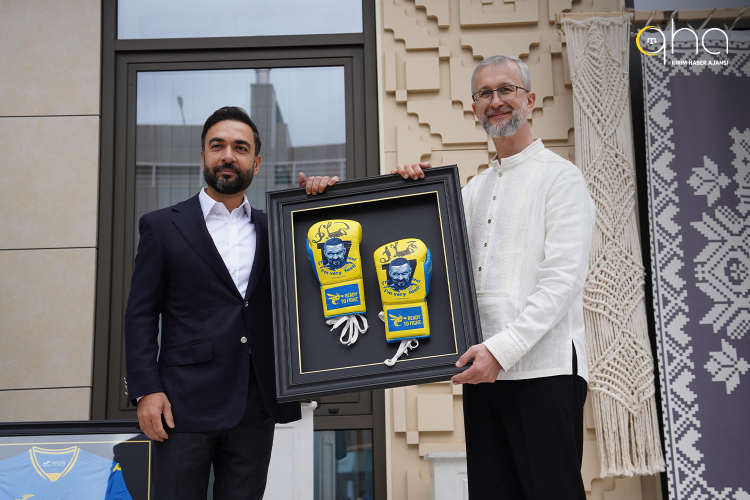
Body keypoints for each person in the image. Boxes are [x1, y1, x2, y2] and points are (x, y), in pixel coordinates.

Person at [309, 55, 595, 499]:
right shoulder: (472, 190)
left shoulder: (562, 178)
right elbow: (419, 251)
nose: (496, 101)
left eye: (507, 89)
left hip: (545, 370)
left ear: (530, 100)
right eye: (485, 94)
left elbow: (562, 282)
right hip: (482, 371)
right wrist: (395, 193)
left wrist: (501, 350)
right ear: (474, 107)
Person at [125, 106, 301, 499]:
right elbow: (140, 315)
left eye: (241, 148)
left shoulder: (277, 226)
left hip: (255, 403)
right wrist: (146, 390)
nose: (228, 155)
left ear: (256, 163)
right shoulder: (162, 226)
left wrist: (323, 195)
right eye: (217, 146)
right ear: (202, 156)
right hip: (181, 403)